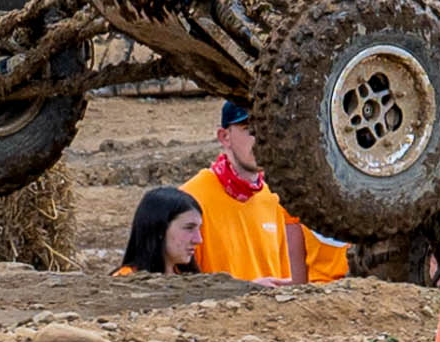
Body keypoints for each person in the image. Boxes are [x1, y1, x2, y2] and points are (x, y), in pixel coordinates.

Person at [180, 100, 345, 284]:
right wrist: (247, 290)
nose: (261, 138)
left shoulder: (279, 198)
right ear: (224, 137)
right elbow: (178, 289)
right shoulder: (189, 201)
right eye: (249, 129)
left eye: (267, 126)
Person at [115, 186, 204, 275]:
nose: (198, 240)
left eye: (199, 228)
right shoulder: (124, 279)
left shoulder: (188, 278)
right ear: (160, 229)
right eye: (189, 228)